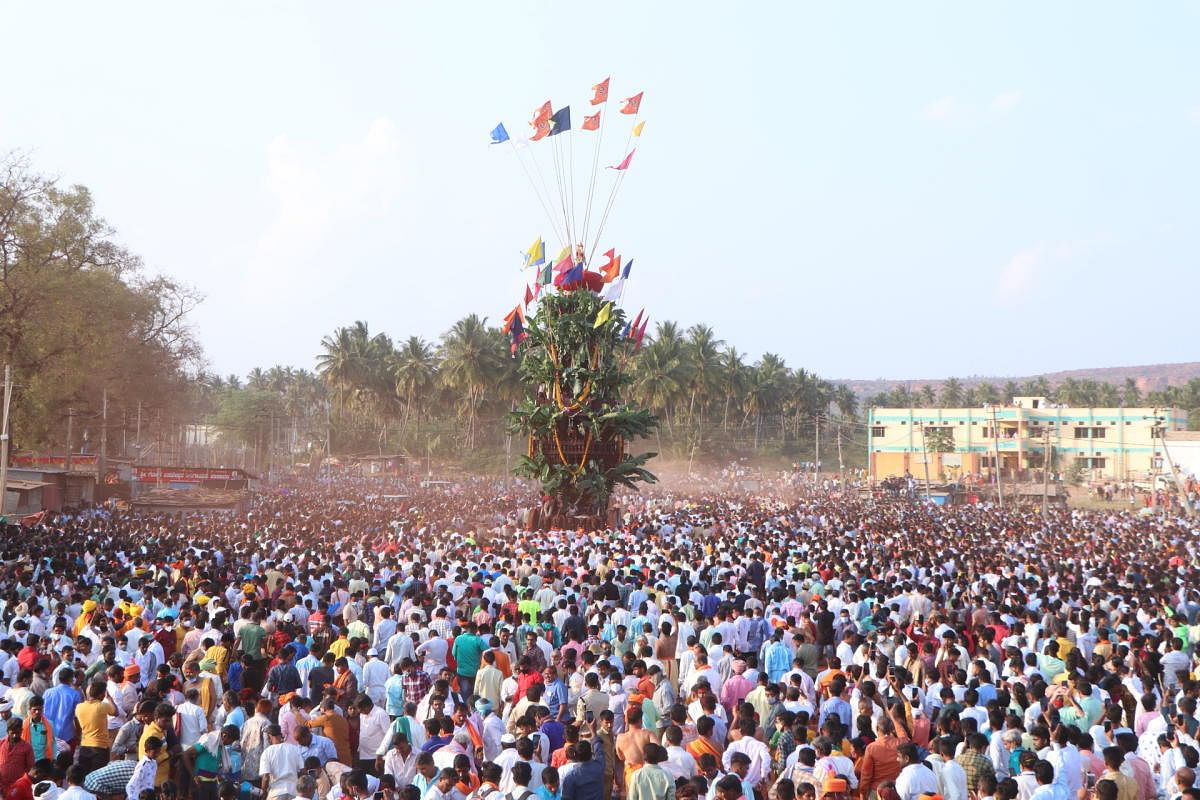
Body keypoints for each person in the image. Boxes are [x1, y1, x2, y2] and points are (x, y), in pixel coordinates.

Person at [260, 724, 305, 800]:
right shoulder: (294, 749)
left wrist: (263, 793)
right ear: (280, 735)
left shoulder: (267, 752)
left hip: (276, 793)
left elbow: (266, 778)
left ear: (269, 736)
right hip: (294, 792)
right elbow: (303, 771)